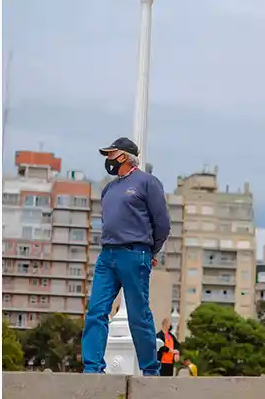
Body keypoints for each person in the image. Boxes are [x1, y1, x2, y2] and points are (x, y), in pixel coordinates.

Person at [80, 137, 173, 376]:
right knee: (96, 311)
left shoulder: (147, 183)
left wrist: (152, 250)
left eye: (110, 154)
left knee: (138, 313)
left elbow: (162, 223)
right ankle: (92, 369)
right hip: (107, 256)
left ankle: (150, 370)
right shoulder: (109, 189)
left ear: (123, 156)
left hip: (135, 254)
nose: (108, 160)